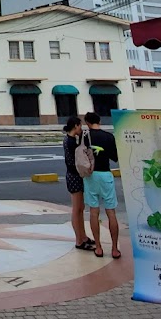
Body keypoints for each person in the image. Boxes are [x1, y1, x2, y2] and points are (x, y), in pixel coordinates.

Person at [83, 111, 121, 259]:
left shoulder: (85, 137)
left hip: (90, 175)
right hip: (106, 174)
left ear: (87, 122)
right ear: (99, 121)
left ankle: (98, 247)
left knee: (94, 211)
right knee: (111, 212)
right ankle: (115, 249)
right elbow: (115, 157)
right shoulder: (109, 136)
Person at [62, 115, 95, 250]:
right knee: (77, 209)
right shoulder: (71, 142)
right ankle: (79, 240)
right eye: (80, 126)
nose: (81, 128)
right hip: (74, 177)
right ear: (75, 126)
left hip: (74, 176)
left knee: (80, 208)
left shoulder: (69, 139)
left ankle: (83, 236)